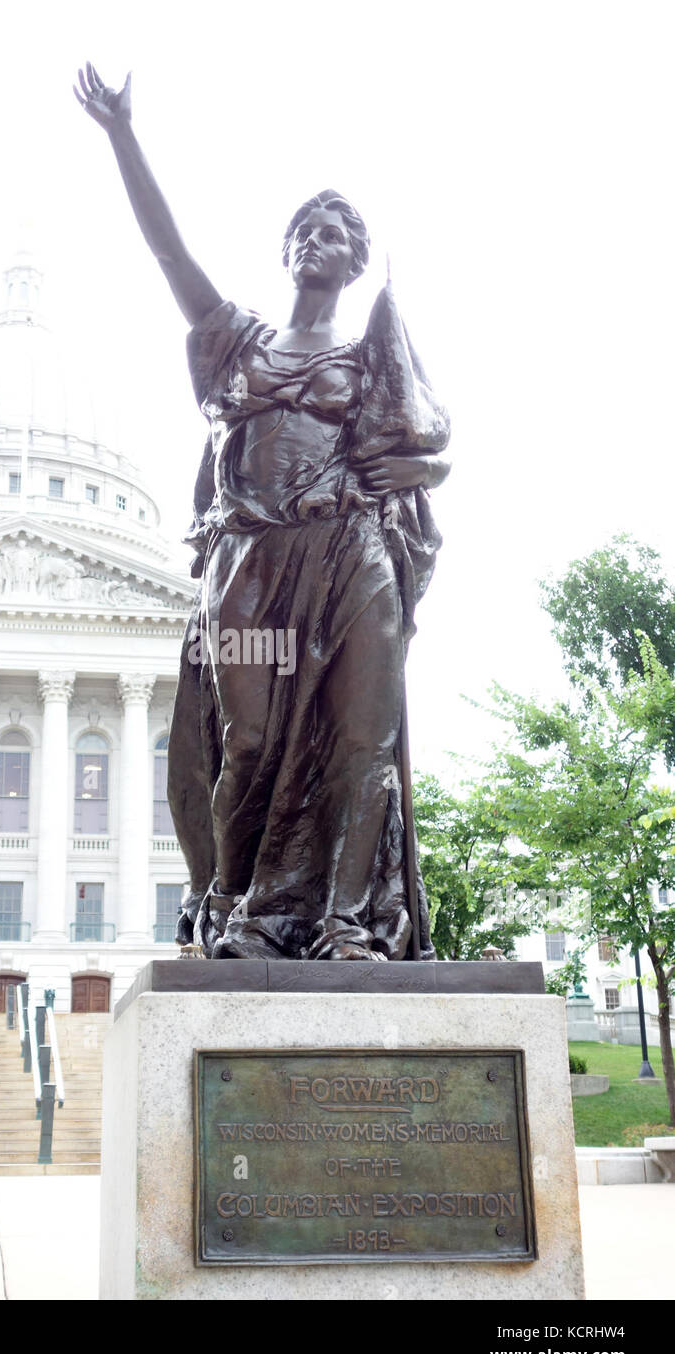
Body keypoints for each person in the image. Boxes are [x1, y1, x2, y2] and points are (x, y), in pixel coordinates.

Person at [75, 64, 451, 961]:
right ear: (288, 251)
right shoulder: (237, 343)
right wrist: (122, 134)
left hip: (350, 556)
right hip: (251, 569)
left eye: (336, 235)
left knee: (365, 739)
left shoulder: (369, 359)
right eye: (307, 231)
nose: (319, 242)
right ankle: (237, 908)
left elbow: (425, 447)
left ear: (354, 264)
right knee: (245, 745)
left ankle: (346, 924)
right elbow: (170, 254)